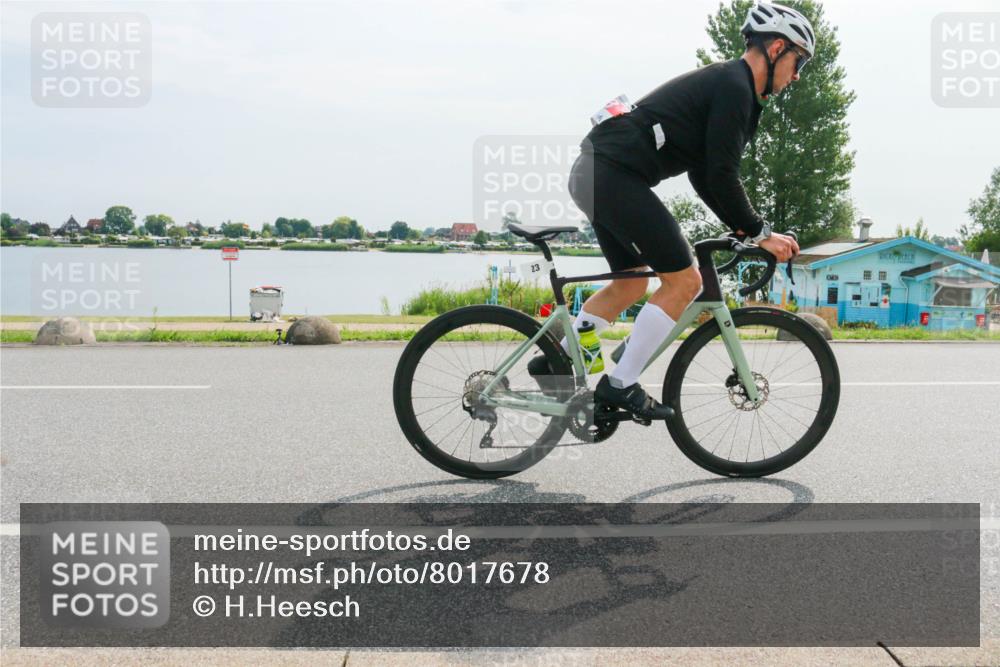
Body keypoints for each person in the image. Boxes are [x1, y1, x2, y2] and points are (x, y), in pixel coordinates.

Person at [531, 2, 812, 420]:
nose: (797, 76)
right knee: (684, 282)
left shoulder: (729, 86)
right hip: (612, 175)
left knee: (630, 284)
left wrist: (740, 226)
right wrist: (759, 233)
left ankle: (556, 358)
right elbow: (720, 174)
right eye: (798, 61)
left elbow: (704, 175)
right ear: (775, 49)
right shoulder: (734, 87)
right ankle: (619, 385)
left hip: (596, 173)